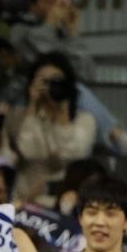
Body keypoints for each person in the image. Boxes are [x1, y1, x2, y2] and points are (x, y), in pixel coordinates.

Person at [9, 53, 96, 203]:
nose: (51, 86)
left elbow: (73, 155)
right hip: (25, 202)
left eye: (57, 81)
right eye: (44, 80)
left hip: (65, 203)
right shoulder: (20, 117)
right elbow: (27, 150)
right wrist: (32, 106)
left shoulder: (85, 120)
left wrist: (62, 115)